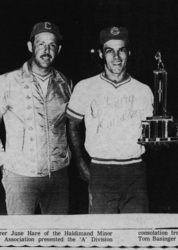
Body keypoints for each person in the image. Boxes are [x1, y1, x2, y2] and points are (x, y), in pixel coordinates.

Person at [66, 26, 154, 213]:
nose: (116, 56)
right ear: (100, 54)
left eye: (121, 50)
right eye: (109, 51)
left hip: (135, 169)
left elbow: (150, 133)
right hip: (100, 168)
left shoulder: (143, 90)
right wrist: (80, 162)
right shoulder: (85, 87)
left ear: (128, 52)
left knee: (136, 233)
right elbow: (73, 125)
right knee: (103, 233)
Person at [0, 22, 72, 215]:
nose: (46, 50)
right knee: (21, 237)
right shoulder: (7, 81)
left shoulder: (66, 84)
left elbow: (69, 126)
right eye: (41, 44)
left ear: (59, 50)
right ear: (31, 47)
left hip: (57, 174)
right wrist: (3, 161)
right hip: (20, 175)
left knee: (58, 237)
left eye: (52, 45)